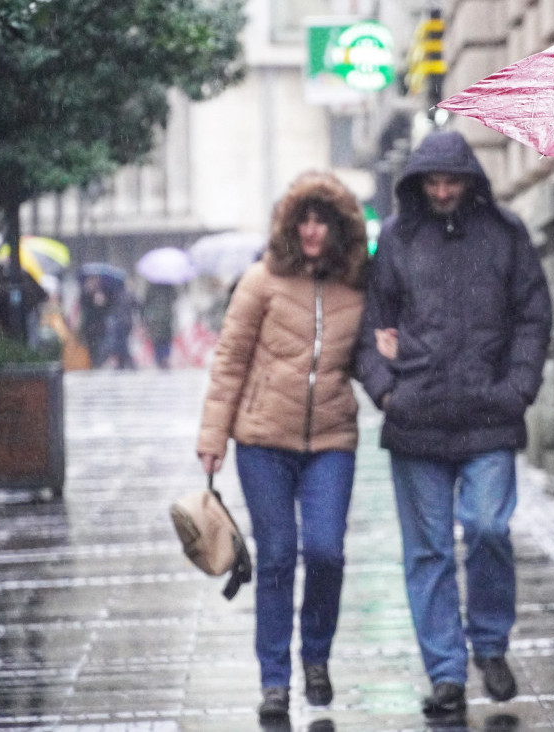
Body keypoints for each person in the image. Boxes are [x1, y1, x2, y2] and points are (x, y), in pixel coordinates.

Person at [356, 130, 552, 719]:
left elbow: (533, 317)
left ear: (470, 180)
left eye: (451, 180)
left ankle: (490, 646)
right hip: (415, 419)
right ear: (417, 184)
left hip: (489, 416)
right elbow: (369, 326)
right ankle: (445, 673)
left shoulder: (506, 234)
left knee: (489, 527)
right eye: (432, 182)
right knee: (428, 553)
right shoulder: (395, 239)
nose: (442, 190)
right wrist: (385, 392)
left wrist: (518, 388)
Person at [196, 171, 367, 722]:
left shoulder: (356, 286)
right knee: (275, 558)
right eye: (305, 219)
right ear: (290, 225)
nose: (313, 230)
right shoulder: (259, 282)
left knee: (326, 551)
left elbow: (371, 356)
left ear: (339, 228)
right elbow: (230, 360)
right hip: (262, 441)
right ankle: (274, 680)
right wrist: (212, 436)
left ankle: (315, 657)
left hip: (332, 441)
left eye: (323, 220)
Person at [141, 282, 177, 368]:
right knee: (166, 339)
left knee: (157, 339)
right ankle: (165, 358)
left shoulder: (151, 287)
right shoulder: (169, 286)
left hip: (155, 318)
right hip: (167, 317)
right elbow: (175, 297)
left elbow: (146, 302)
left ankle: (159, 359)